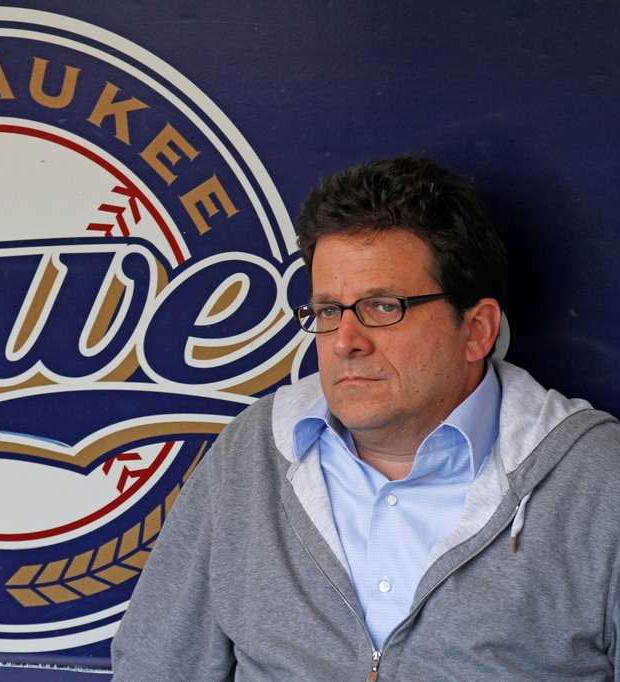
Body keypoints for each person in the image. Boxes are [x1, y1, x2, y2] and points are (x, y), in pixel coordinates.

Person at [110, 155, 620, 680]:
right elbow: (154, 668)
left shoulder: (599, 481)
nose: (345, 342)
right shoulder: (252, 453)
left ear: (477, 330)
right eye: (329, 311)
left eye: (382, 307)